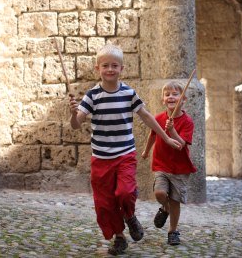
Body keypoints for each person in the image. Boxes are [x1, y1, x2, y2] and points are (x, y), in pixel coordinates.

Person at [69, 44, 181, 255]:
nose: (110, 69)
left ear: (122, 68)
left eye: (114, 65)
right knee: (105, 203)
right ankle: (119, 237)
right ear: (97, 68)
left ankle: (130, 216)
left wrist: (164, 137)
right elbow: (76, 125)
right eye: (105, 66)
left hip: (124, 155)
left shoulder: (129, 93)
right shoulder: (92, 95)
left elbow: (146, 115)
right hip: (100, 159)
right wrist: (74, 114)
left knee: (125, 192)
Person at [141, 80, 197, 246]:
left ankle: (173, 230)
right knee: (160, 193)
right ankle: (164, 208)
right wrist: (146, 151)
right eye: (167, 94)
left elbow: (181, 145)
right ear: (162, 100)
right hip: (161, 164)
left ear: (183, 99)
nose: (171, 97)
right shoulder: (158, 118)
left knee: (175, 201)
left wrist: (172, 130)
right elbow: (152, 135)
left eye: (175, 94)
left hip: (179, 168)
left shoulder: (187, 122)